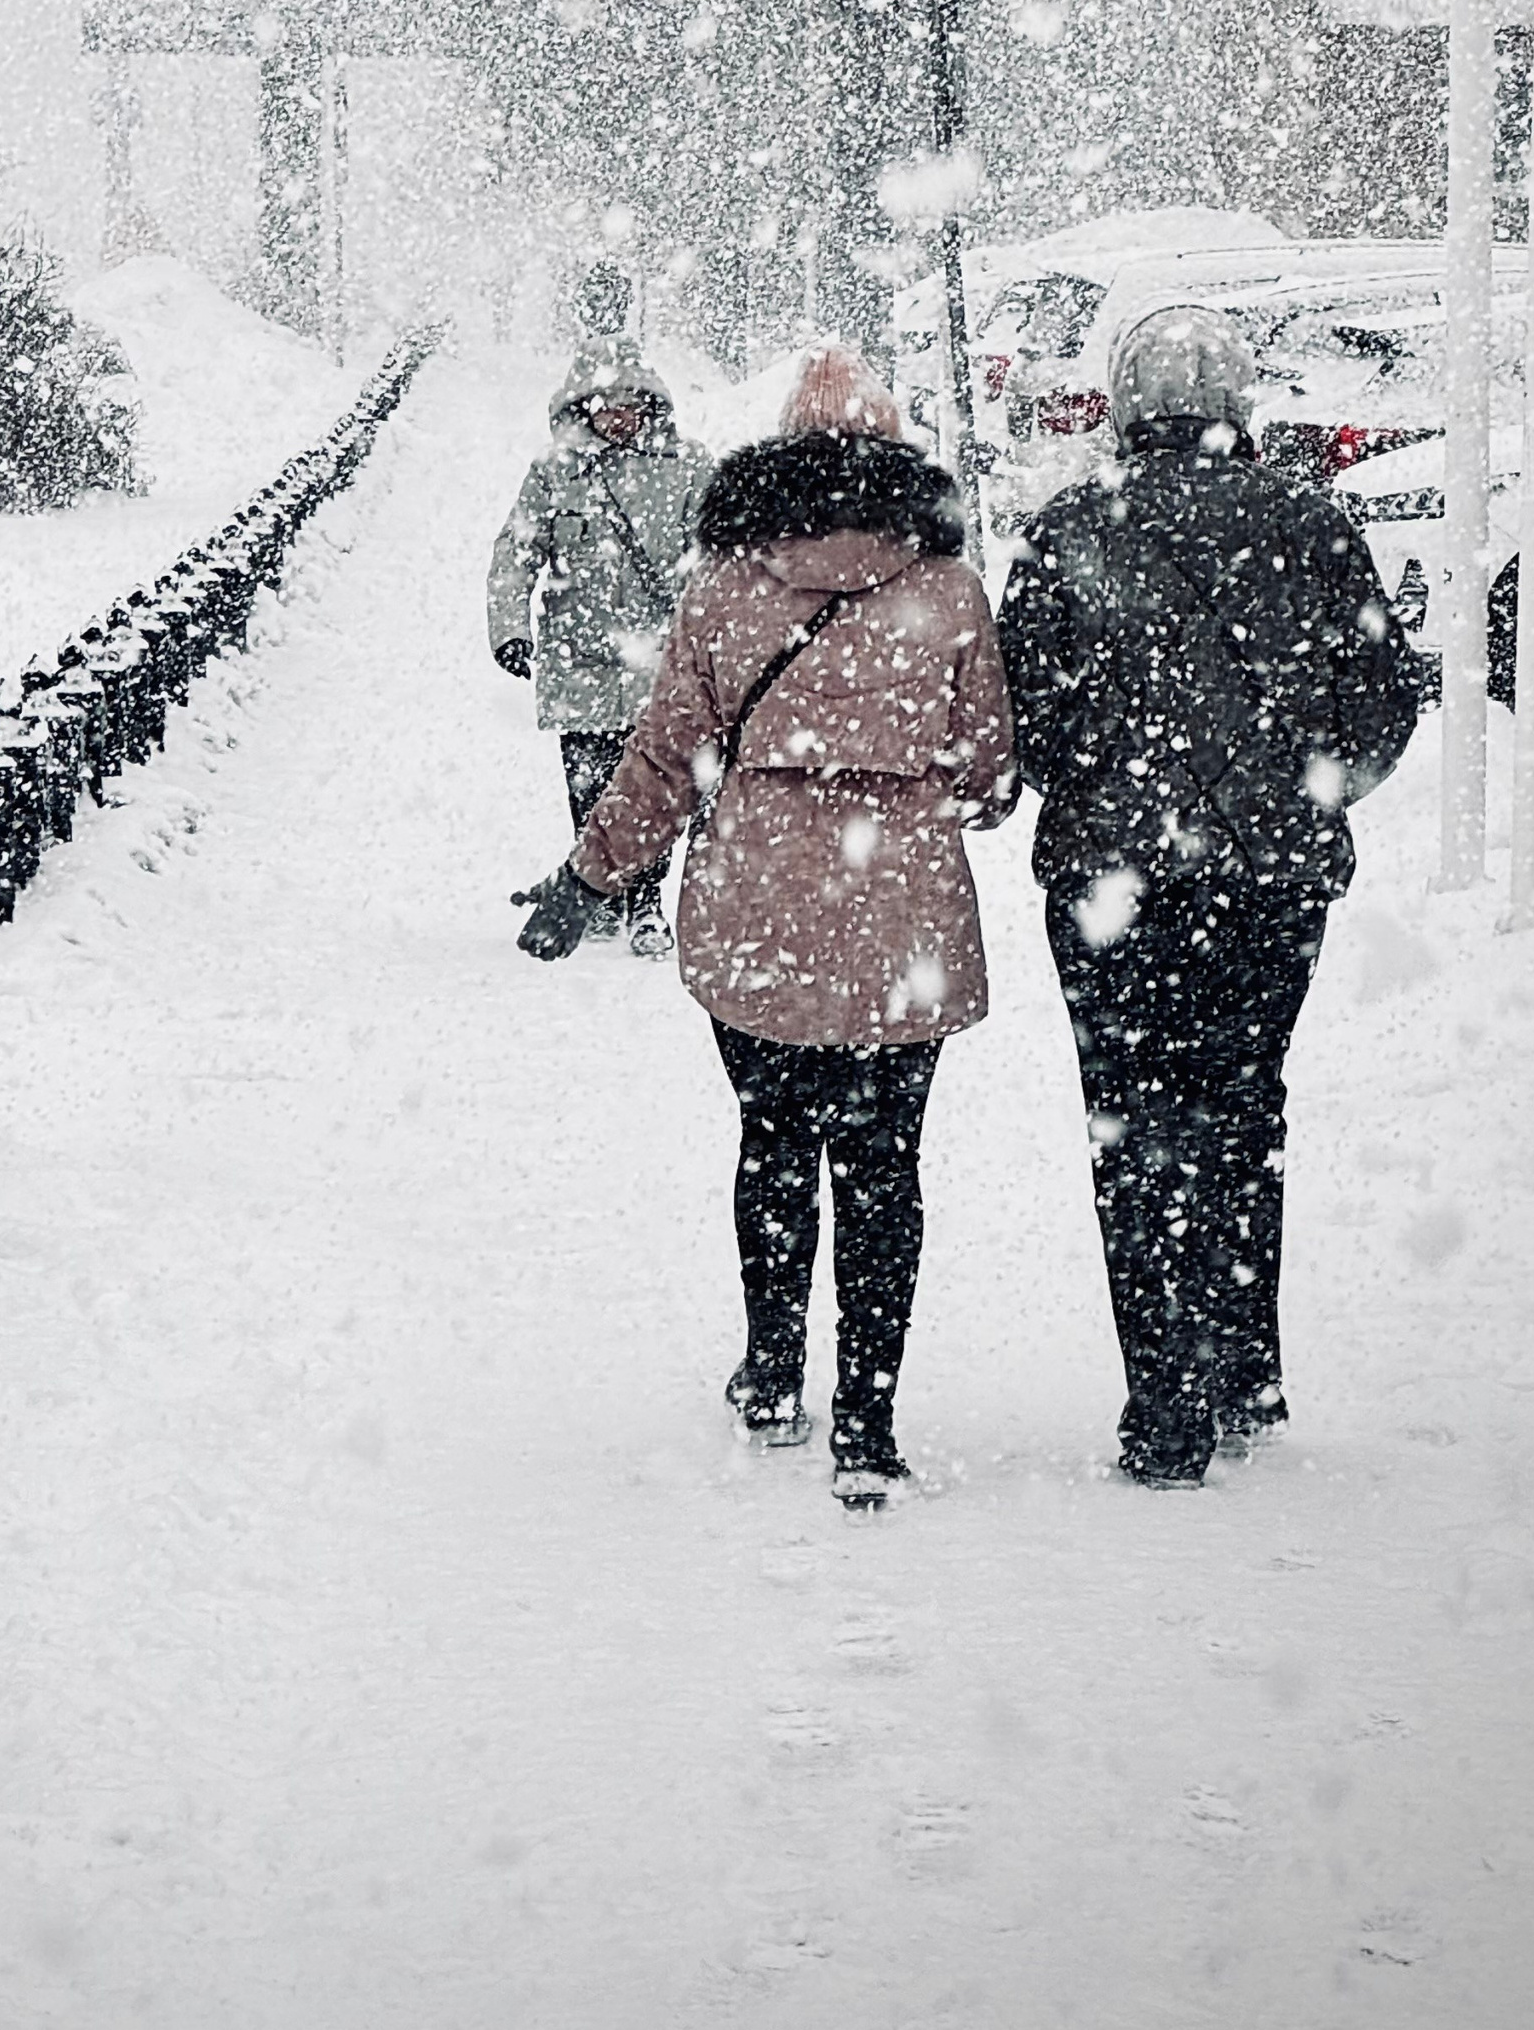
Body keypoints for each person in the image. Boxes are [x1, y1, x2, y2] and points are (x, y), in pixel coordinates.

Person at [558, 346, 1015, 1500]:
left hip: (757, 908)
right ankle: (867, 1419)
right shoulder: (948, 590)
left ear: (781, 454)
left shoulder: (723, 586)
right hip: (902, 918)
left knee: (772, 1143)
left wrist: (591, 870)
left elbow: (664, 756)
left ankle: (771, 1375)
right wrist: (917, 778)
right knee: (882, 1166)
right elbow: (986, 770)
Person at [997, 304, 1421, 1491]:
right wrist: (1308, 790)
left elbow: (1025, 710)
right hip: (1269, 879)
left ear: (1125, 403)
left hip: (1113, 879)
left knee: (1131, 1124)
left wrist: (1104, 789)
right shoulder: (1311, 521)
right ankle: (1242, 1366)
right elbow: (1384, 693)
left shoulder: (1069, 526)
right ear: (1239, 401)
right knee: (1243, 1106)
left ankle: (1164, 1402)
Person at [488, 345, 713, 951]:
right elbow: (516, 552)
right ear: (584, 407)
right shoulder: (555, 472)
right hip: (578, 660)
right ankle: (600, 896)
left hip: (659, 662)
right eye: (607, 404)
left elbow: (714, 557)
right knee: (589, 789)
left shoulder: (689, 468)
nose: (620, 416)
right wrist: (510, 630)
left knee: (654, 786)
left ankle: (647, 904)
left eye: (630, 403)